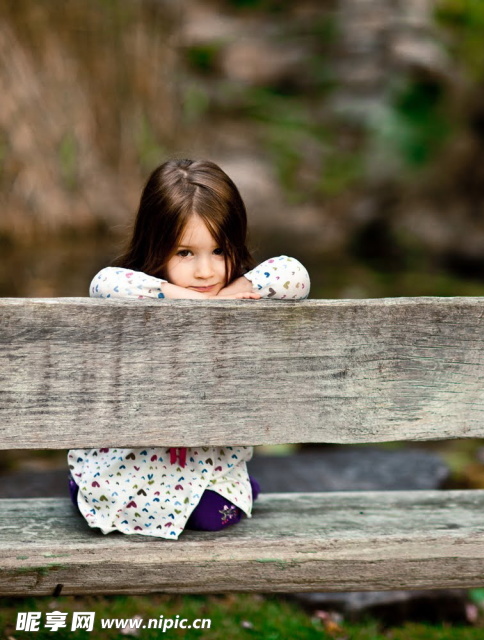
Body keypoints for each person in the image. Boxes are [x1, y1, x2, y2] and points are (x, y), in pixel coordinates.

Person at [68, 158, 310, 540]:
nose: (205, 271)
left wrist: (231, 293)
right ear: (155, 247)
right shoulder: (141, 295)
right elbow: (104, 281)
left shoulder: (241, 295)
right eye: (185, 253)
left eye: (219, 251)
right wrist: (177, 296)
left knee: (209, 514)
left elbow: (293, 273)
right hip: (135, 464)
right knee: (207, 513)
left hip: (202, 462)